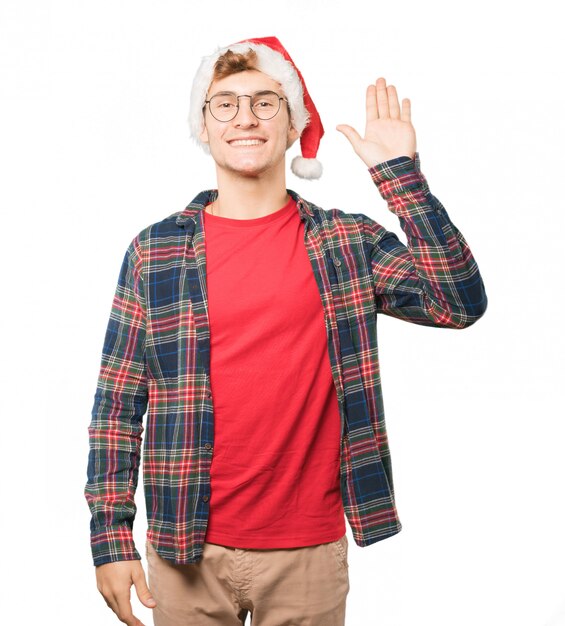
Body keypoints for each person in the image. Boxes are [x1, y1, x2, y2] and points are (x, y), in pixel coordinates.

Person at [85, 36, 488, 626]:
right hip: (183, 549)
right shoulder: (157, 250)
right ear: (204, 123)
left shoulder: (347, 243)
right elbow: (117, 404)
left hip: (309, 554)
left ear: (295, 122)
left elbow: (458, 301)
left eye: (265, 102)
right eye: (225, 103)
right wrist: (110, 539)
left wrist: (398, 176)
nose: (245, 117)